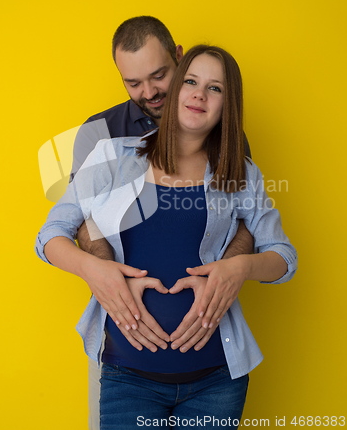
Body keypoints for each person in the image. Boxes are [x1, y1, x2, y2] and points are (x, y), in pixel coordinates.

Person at [36, 44, 297, 428]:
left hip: (217, 381)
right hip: (128, 378)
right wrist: (95, 270)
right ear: (176, 88)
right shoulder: (111, 156)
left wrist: (239, 267)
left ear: (229, 103)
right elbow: (50, 235)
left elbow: (284, 257)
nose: (199, 94)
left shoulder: (242, 174)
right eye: (191, 81)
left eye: (216, 88)